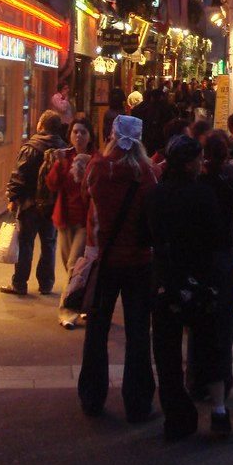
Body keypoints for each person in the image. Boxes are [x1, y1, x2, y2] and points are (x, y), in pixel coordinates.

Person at [146, 135, 230, 439]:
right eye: (197, 159)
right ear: (187, 162)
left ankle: (177, 417)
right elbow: (219, 238)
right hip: (201, 281)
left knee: (167, 353)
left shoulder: (158, 195)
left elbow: (150, 235)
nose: (201, 163)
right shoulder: (204, 195)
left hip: (168, 281)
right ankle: (219, 411)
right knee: (209, 346)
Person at [78, 115, 157, 422]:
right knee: (139, 334)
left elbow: (87, 198)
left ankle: (92, 398)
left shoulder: (97, 168)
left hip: (104, 261)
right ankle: (137, 402)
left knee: (96, 331)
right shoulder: (148, 175)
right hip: (139, 263)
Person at [195, 130, 233, 397]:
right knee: (224, 320)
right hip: (226, 253)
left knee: (201, 322)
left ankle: (199, 382)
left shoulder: (199, 182)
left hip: (202, 254)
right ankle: (223, 381)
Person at [0, 109, 66, 296]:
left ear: (41, 125)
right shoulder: (63, 148)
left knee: (26, 243)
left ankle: (20, 283)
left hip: (30, 204)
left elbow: (19, 175)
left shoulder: (31, 147)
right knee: (49, 243)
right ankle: (46, 283)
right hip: (52, 204)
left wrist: (13, 197)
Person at [46, 113, 94, 329]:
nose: (78, 136)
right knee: (70, 267)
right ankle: (85, 305)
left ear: (90, 136)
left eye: (83, 132)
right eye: (75, 132)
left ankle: (67, 311)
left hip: (86, 221)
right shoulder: (64, 158)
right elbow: (52, 185)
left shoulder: (96, 159)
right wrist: (56, 165)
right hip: (65, 219)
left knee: (75, 266)